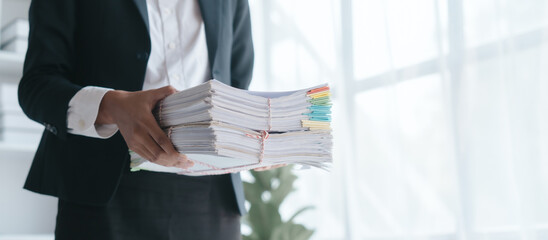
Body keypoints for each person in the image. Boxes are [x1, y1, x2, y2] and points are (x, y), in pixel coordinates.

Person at [18, 0, 277, 239]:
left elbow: (237, 86)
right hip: (103, 192)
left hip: (213, 198)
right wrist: (112, 105)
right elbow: (36, 86)